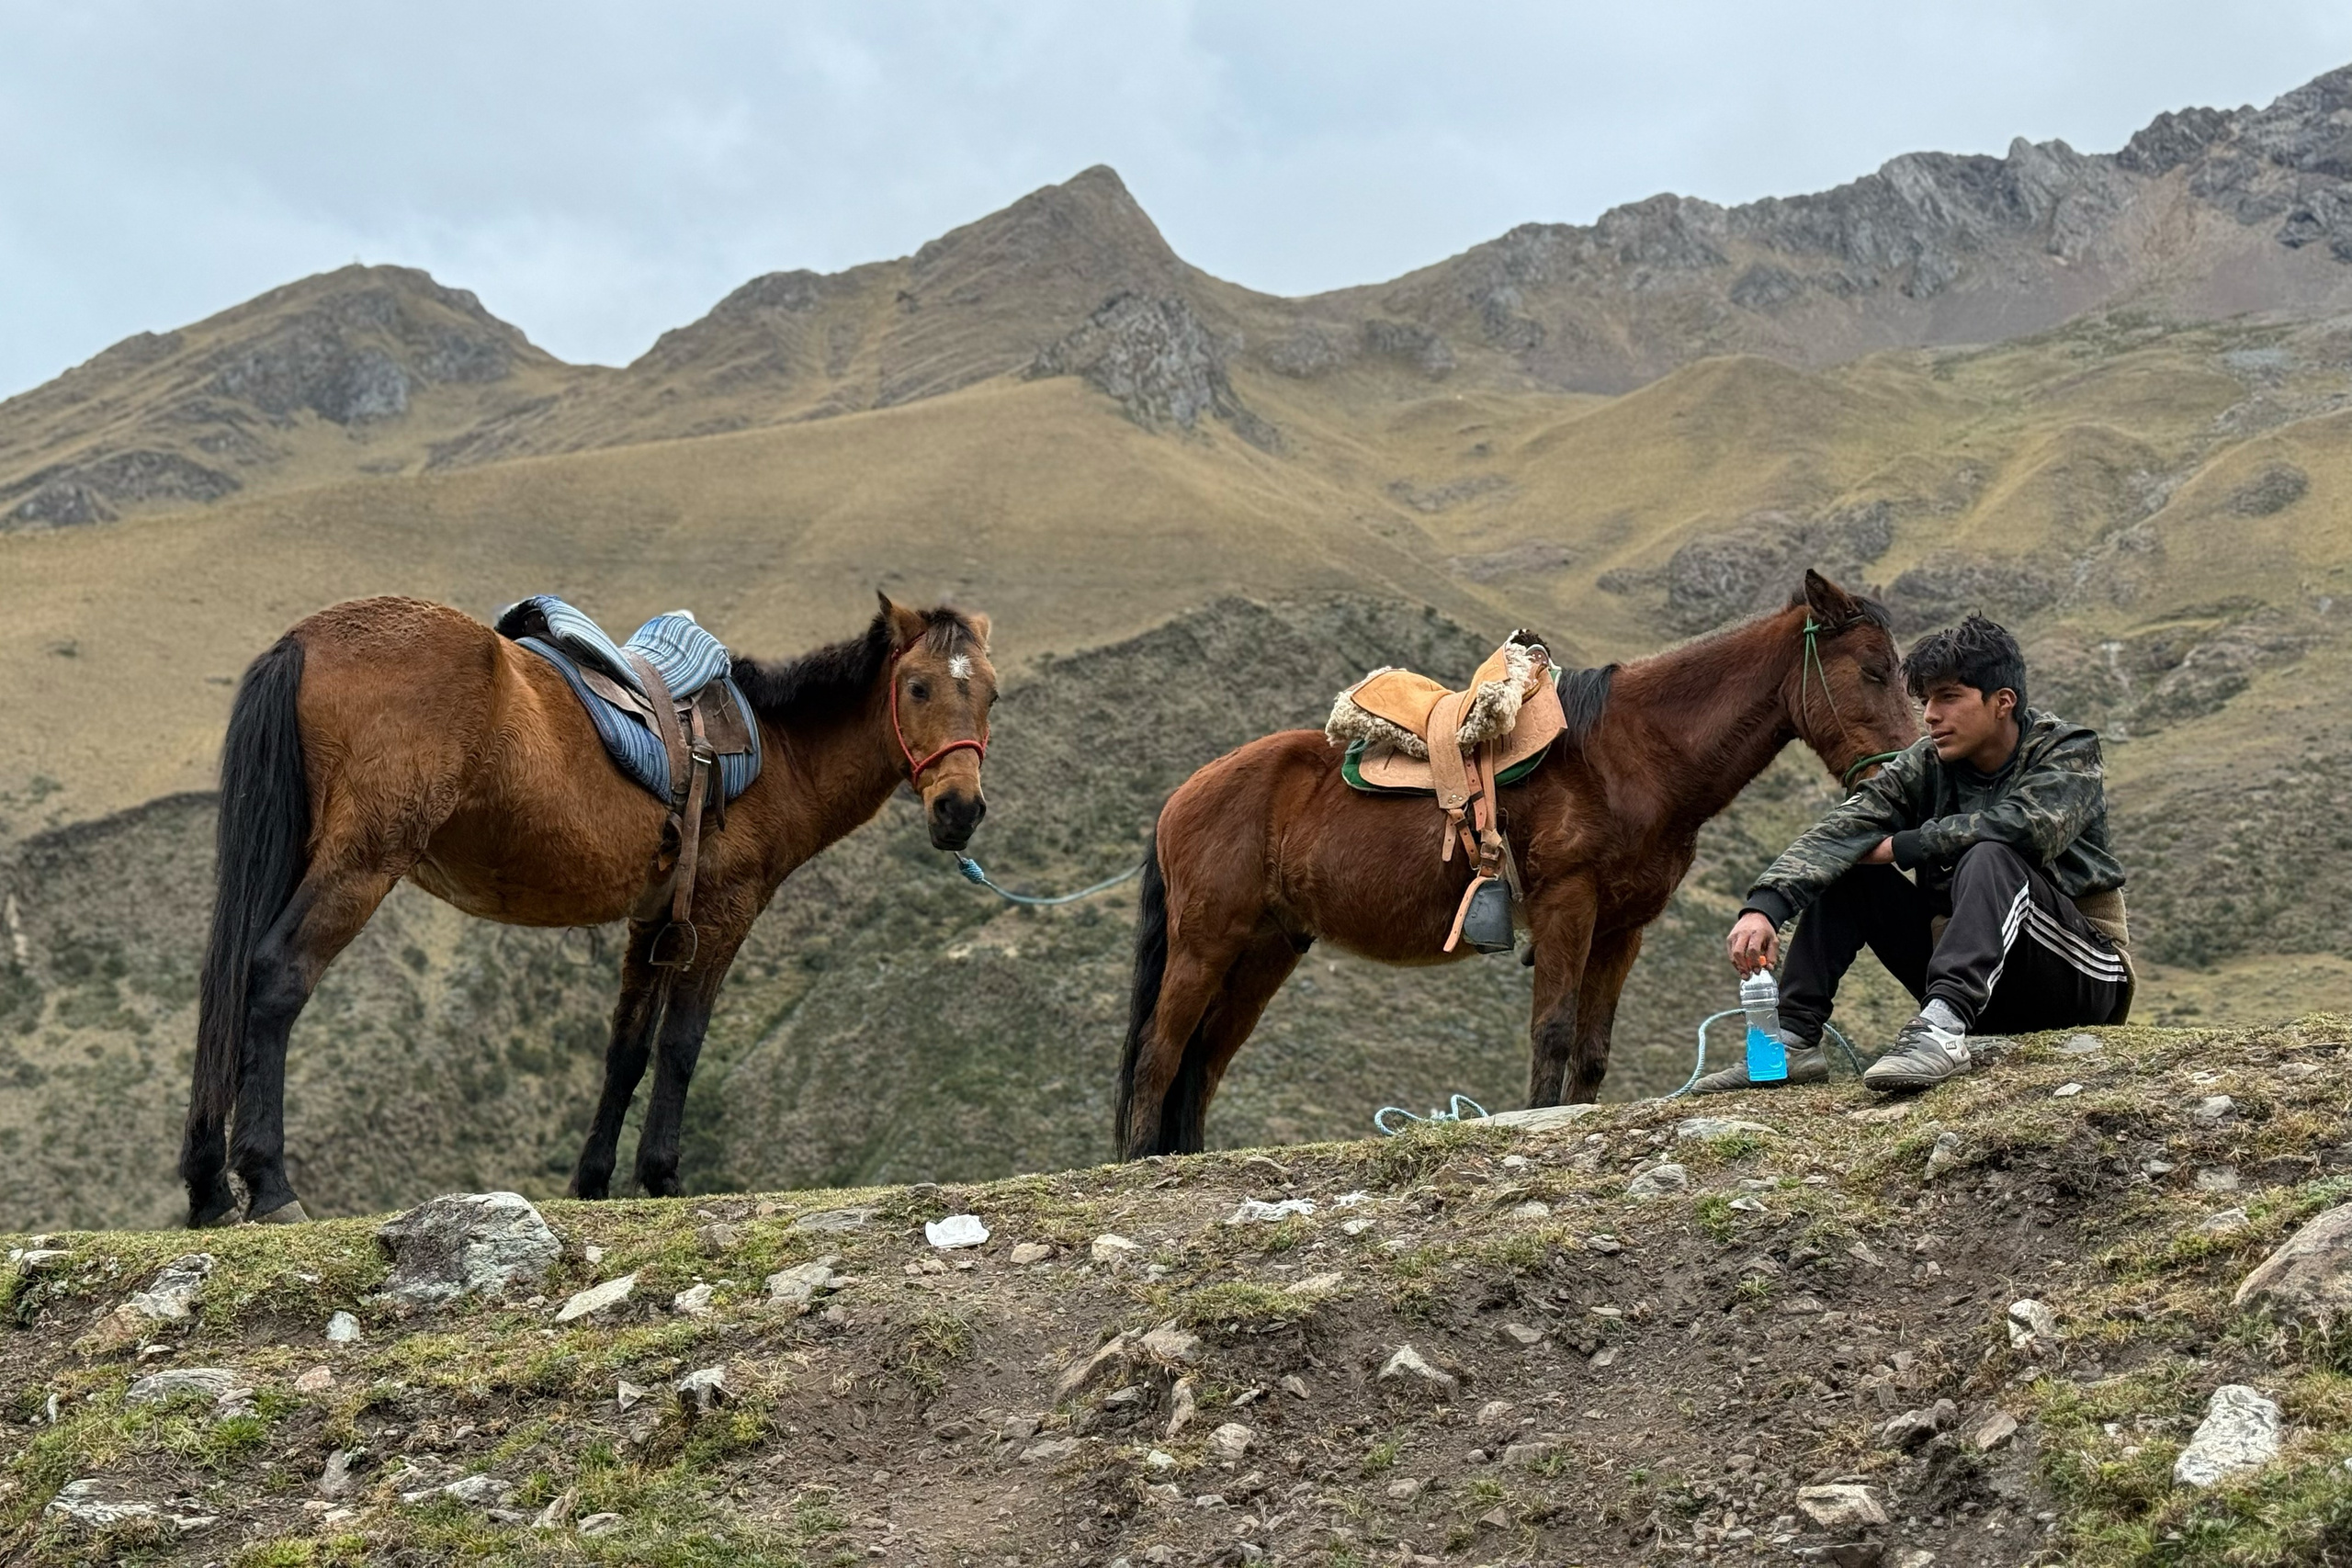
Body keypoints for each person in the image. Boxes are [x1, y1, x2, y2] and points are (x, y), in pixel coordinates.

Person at [1698, 614, 2132, 1094]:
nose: (1929, 716)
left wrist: (1905, 845)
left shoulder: (2067, 750)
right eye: (1926, 700)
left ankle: (1941, 1028)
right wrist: (1765, 906)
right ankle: (1793, 1042)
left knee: (1991, 854)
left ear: (2002, 702)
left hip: (2077, 973)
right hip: (1981, 988)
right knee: (1850, 868)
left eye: (1948, 698)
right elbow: (1844, 827)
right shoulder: (1926, 763)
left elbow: (2029, 828)